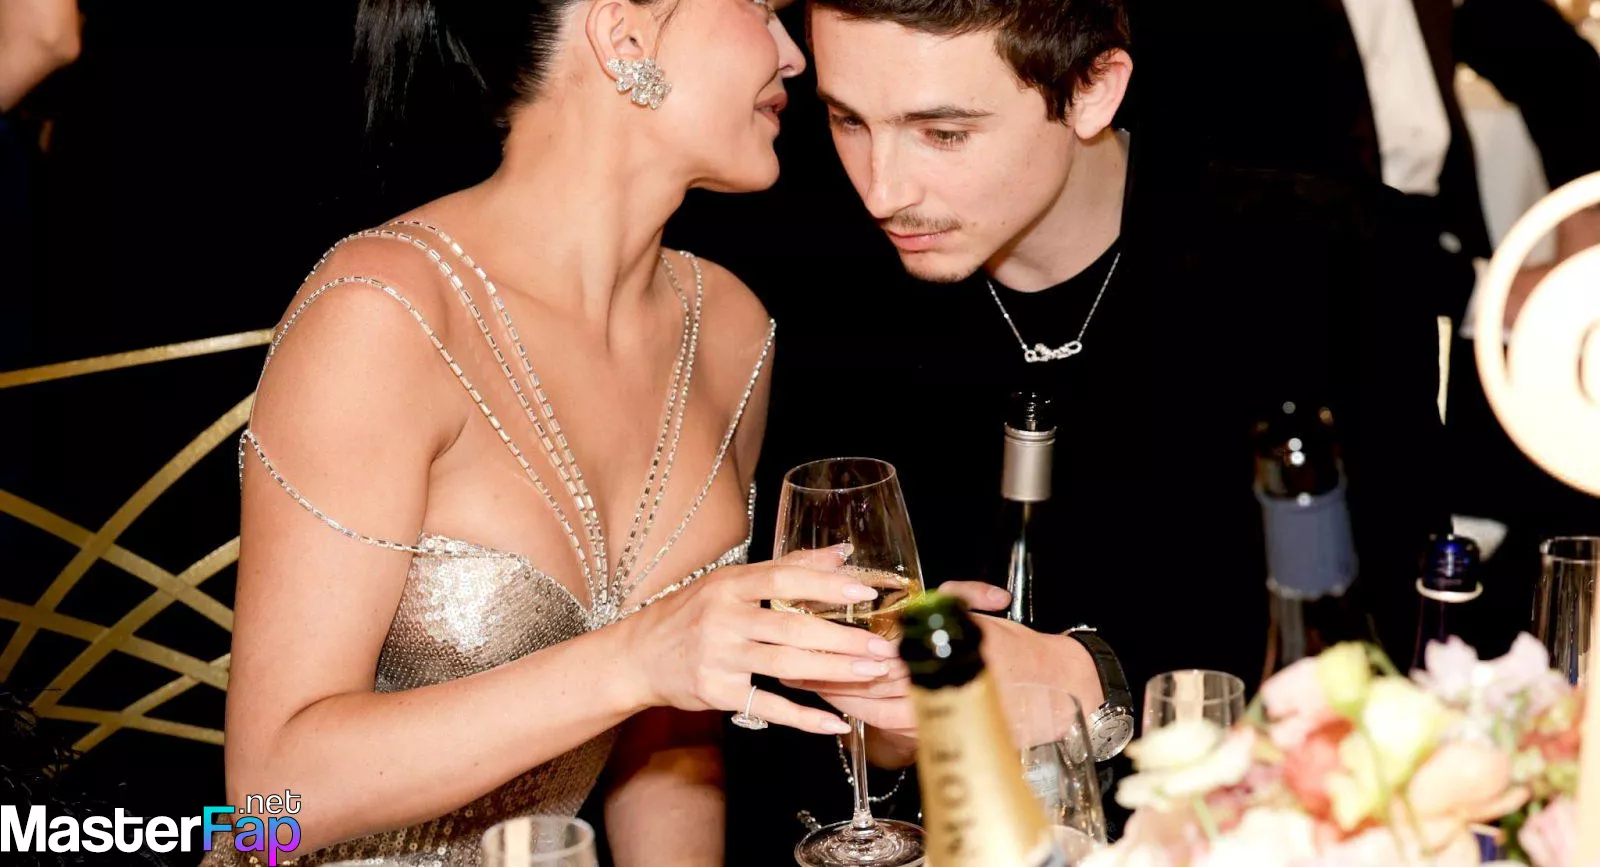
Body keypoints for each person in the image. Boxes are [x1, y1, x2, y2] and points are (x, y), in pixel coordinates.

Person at [710, 0, 1452, 858]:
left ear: (1093, 89)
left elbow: (1396, 649)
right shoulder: (813, 285)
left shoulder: (1324, 262)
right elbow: (775, 737)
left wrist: (1088, 681)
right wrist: (886, 737)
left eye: (944, 133)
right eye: (847, 120)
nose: (884, 189)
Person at [213, 0, 906, 863]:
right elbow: (269, 794)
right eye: (761, 8)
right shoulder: (388, 313)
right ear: (624, 37)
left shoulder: (729, 329)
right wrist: (635, 658)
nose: (792, 54)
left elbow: (669, 738)